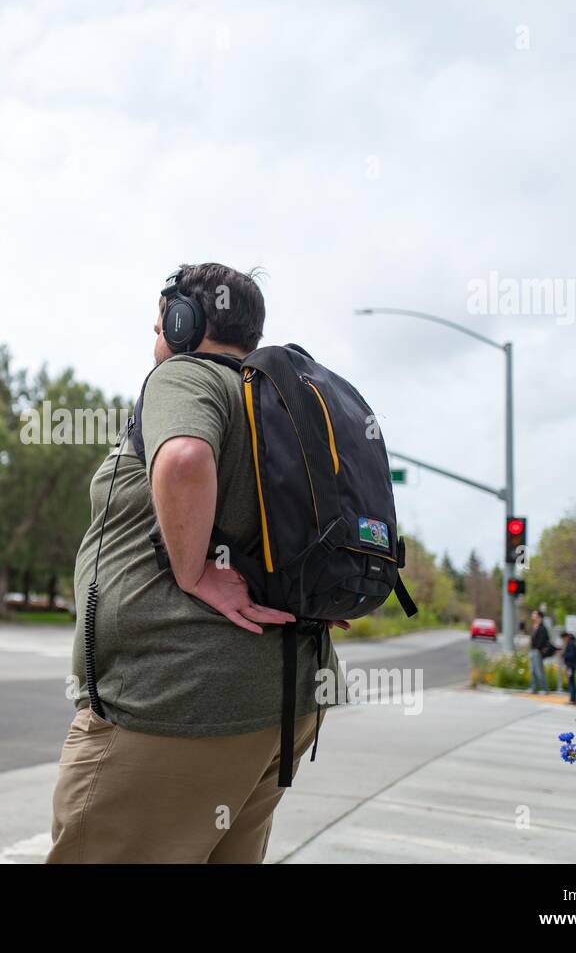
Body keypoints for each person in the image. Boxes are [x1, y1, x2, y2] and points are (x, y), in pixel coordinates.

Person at [47, 263, 345, 864]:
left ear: (183, 324)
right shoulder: (278, 404)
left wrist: (193, 573)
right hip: (281, 707)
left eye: (159, 322)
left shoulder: (185, 377)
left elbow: (183, 459)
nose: (155, 335)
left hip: (176, 706)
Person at [528, 609, 551, 694]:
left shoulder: (542, 628)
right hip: (532, 651)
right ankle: (533, 688)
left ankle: (545, 689)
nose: (533, 616)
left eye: (534, 614)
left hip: (537, 652)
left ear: (539, 617)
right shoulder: (534, 626)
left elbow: (544, 640)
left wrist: (538, 649)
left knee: (539, 671)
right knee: (533, 671)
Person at [561, 630, 576, 705]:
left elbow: (572, 655)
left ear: (567, 637)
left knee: (571, 683)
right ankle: (572, 699)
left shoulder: (571, 644)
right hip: (570, 665)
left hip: (571, 665)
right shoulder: (571, 643)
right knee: (571, 682)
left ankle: (573, 700)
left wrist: (563, 654)